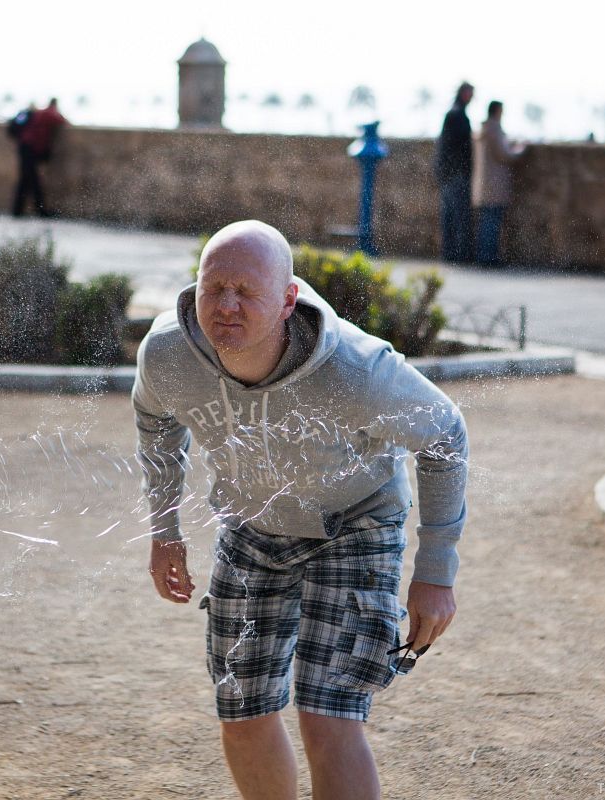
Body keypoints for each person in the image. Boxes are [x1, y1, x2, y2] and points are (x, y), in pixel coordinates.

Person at [132, 220, 468, 800]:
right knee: (241, 710)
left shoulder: (357, 372)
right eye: (213, 289)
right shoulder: (168, 354)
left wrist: (435, 571)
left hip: (355, 524)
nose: (226, 306)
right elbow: (154, 422)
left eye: (246, 291)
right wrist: (166, 532)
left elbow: (445, 435)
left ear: (288, 300)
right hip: (251, 523)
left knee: (329, 713)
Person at [472, 101, 526, 266]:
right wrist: (519, 150)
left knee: (487, 221)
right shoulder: (494, 130)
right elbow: (503, 154)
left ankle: (484, 256)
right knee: (492, 222)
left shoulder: (483, 130)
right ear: (497, 111)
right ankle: (488, 258)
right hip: (495, 184)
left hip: (485, 183)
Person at [434, 82, 475, 263]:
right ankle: (459, 254)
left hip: (449, 173)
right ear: (464, 93)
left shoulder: (455, 114)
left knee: (451, 215)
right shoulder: (456, 115)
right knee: (457, 216)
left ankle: (451, 253)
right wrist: (460, 170)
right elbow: (455, 147)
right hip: (454, 174)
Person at [11, 98, 68, 217]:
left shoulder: (39, 113)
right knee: (32, 180)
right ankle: (40, 210)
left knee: (26, 180)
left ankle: (19, 210)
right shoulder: (48, 112)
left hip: (25, 147)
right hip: (29, 149)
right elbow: (61, 120)